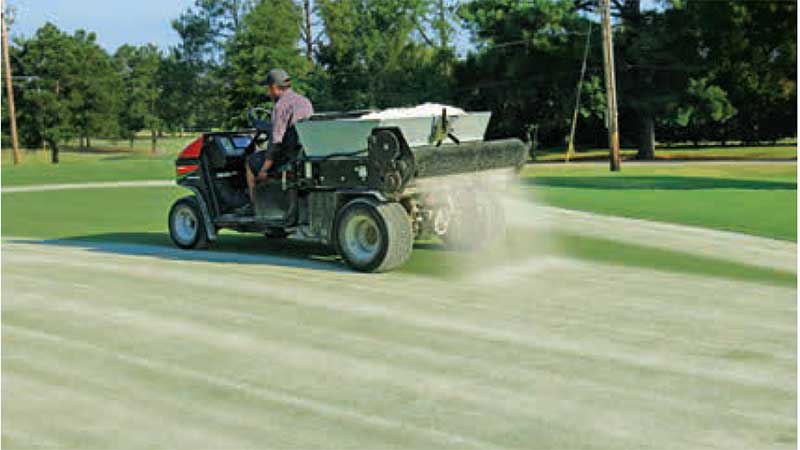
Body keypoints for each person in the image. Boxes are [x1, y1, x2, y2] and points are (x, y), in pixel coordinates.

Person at [245, 68, 314, 208]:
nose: (268, 92)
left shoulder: (280, 106)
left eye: (268, 89)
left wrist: (264, 169)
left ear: (274, 87)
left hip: (287, 157)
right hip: (303, 154)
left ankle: (254, 206)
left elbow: (276, 141)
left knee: (250, 162)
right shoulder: (304, 101)